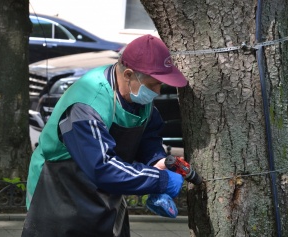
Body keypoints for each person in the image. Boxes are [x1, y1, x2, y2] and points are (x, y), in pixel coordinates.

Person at [21, 34, 188, 237]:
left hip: (102, 191)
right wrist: (159, 180)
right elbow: (102, 167)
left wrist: (156, 161)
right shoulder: (87, 105)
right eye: (153, 84)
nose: (158, 91)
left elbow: (148, 135)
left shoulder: (138, 98)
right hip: (57, 190)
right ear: (128, 74)